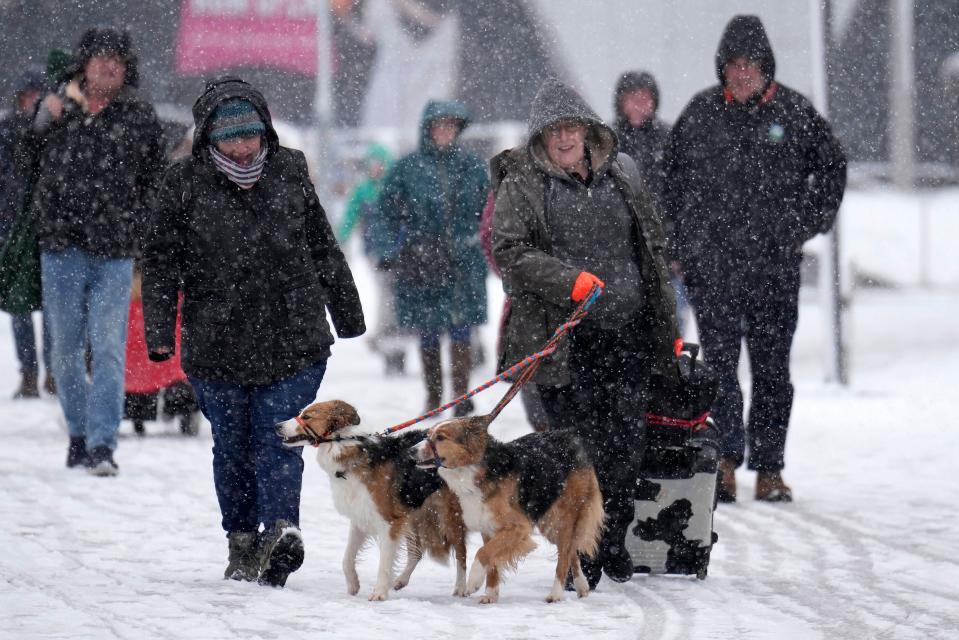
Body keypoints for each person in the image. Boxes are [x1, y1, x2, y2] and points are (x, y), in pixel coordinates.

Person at [141, 76, 365, 587]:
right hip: (216, 342)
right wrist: (159, 333)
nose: (243, 148)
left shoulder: (290, 170)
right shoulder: (182, 183)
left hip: (293, 336)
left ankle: (282, 531)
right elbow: (159, 263)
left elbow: (321, 244)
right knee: (232, 445)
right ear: (209, 138)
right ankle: (242, 539)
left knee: (278, 437)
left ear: (266, 131)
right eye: (231, 137)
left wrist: (348, 314)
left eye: (251, 135)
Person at [492, 79, 679, 589]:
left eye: (571, 127)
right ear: (541, 137)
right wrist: (567, 280)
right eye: (554, 131)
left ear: (588, 130)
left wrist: (669, 332)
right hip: (566, 345)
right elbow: (509, 253)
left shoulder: (623, 173)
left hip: (628, 336)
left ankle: (613, 538)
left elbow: (653, 254)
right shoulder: (524, 182)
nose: (564, 138)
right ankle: (584, 548)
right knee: (581, 452)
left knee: (626, 446)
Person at [662, 15, 847, 503]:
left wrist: (804, 224)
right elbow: (668, 186)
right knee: (720, 370)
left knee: (771, 371)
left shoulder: (794, 112)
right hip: (712, 271)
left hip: (773, 269)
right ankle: (724, 461)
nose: (742, 74)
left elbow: (832, 169)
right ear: (723, 68)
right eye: (734, 65)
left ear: (766, 68)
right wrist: (680, 249)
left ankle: (769, 468)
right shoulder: (700, 114)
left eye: (751, 65)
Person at [15, 28, 164, 474]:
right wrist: (42, 120)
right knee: (64, 349)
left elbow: (156, 179)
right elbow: (23, 163)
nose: (109, 65)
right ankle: (77, 435)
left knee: (108, 346)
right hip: (60, 246)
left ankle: (102, 444)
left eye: (117, 59)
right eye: (100, 58)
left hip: (115, 251)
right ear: (84, 63)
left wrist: (140, 225)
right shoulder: (58, 107)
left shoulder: (138, 115)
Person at [375, 100, 488, 416]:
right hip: (422, 263)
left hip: (465, 262)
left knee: (462, 327)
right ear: (427, 129)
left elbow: (493, 213)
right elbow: (384, 214)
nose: (444, 132)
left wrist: (495, 248)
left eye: (451, 126)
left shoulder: (474, 168)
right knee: (428, 328)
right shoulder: (407, 168)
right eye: (439, 125)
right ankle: (434, 396)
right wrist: (388, 251)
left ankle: (461, 396)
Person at [614, 70, 691, 335]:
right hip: (619, 260)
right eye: (631, 97)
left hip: (665, 256)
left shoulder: (670, 140)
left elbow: (684, 199)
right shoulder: (606, 141)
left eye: (644, 97)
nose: (638, 104)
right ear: (620, 102)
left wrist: (678, 250)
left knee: (669, 328)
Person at [0, 67, 55, 398]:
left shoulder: (53, 130)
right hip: (13, 230)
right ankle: (30, 373)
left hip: (46, 230)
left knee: (52, 307)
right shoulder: (6, 131)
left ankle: (51, 372)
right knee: (20, 307)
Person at [337, 142, 406, 375]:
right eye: (372, 164)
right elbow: (349, 217)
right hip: (375, 255)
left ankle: (390, 339)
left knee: (394, 298)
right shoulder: (363, 190)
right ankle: (388, 341)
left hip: (401, 254)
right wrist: (340, 240)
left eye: (380, 163)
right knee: (387, 297)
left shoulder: (395, 188)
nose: (376, 168)